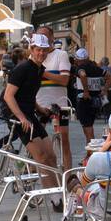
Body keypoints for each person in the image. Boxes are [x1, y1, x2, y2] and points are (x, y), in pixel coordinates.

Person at [2, 32, 61, 221]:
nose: (41, 53)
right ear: (32, 49)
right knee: (41, 157)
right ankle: (54, 199)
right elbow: (9, 96)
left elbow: (29, 94)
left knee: (51, 156)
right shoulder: (22, 69)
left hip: (30, 113)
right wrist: (20, 117)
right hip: (18, 116)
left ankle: (56, 194)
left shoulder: (38, 69)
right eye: (38, 50)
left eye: (44, 51)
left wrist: (39, 109)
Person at [35, 26, 74, 167]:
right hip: (40, 104)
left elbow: (64, 80)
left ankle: (68, 175)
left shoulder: (61, 55)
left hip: (60, 104)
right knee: (37, 141)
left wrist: (42, 72)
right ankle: (35, 172)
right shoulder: (34, 55)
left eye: (45, 36)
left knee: (64, 139)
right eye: (39, 36)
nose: (42, 39)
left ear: (52, 38)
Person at [73, 48, 105, 141]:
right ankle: (89, 152)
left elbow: (82, 75)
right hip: (95, 101)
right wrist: (105, 89)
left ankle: (92, 151)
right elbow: (110, 76)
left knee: (88, 128)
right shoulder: (95, 68)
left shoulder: (80, 68)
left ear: (79, 60)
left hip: (84, 101)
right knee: (89, 126)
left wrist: (86, 91)